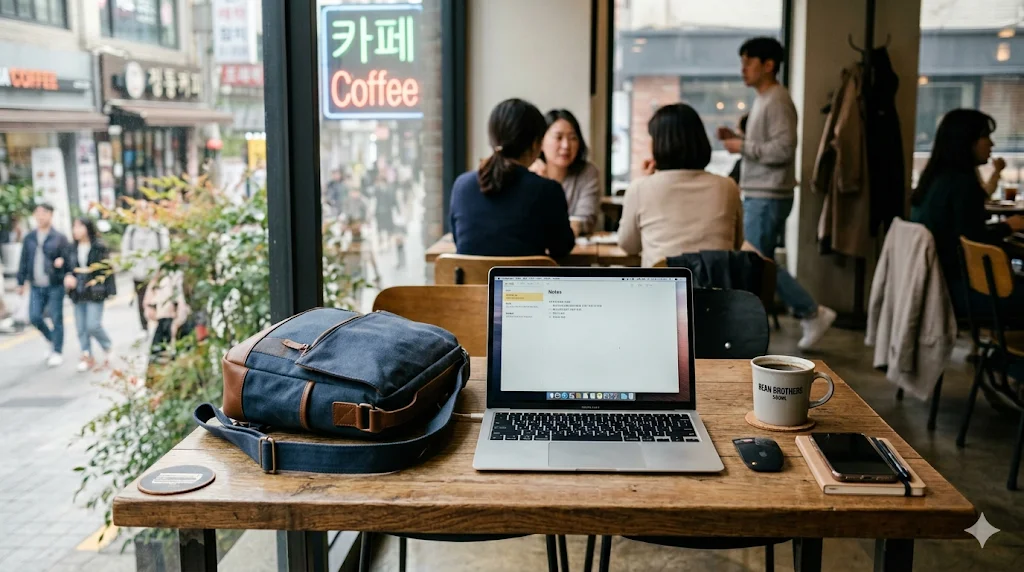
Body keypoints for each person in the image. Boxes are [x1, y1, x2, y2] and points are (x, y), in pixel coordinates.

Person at [718, 36, 835, 350]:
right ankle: (805, 313)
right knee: (758, 261)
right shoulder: (765, 99)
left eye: (748, 62)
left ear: (768, 65)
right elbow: (770, 144)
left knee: (756, 262)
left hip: (769, 194)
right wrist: (739, 138)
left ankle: (811, 311)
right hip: (762, 192)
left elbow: (783, 150)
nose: (742, 69)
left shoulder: (777, 100)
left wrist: (741, 146)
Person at [911, 109, 1024, 319]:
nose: (991, 144)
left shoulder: (934, 179)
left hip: (934, 284)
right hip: (960, 289)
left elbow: (963, 233)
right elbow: (973, 240)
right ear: (966, 141)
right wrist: (1009, 226)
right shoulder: (963, 184)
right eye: (985, 136)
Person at [618, 103, 744, 268]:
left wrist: (647, 180)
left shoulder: (640, 188)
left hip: (663, 291)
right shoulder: (728, 187)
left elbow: (629, 246)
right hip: (718, 291)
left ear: (660, 142)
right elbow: (736, 244)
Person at [450, 98, 575, 257]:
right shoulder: (548, 190)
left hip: (471, 282)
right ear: (536, 144)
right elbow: (562, 248)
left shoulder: (462, 186)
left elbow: (460, 241)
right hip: (525, 282)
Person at [530, 109, 602, 236]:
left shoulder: (588, 172)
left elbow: (586, 219)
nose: (566, 145)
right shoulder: (529, 172)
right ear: (540, 142)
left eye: (573, 138)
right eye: (558, 137)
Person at [16, 203, 69, 367]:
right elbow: (24, 260)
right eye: (37, 213)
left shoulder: (59, 237)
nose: (40, 217)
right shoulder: (30, 237)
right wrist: (21, 281)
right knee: (35, 316)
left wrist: (62, 264)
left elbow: (68, 259)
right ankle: (52, 339)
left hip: (55, 284)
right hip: (36, 285)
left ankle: (57, 351)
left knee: (56, 317)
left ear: (51, 215)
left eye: (43, 213)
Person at [64, 217, 116, 372]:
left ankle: (107, 346)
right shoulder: (71, 248)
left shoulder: (98, 247)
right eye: (74, 227)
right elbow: (68, 267)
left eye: (80, 227)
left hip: (95, 290)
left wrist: (109, 290)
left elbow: (107, 269)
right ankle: (87, 354)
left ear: (88, 228)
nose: (76, 230)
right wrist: (67, 275)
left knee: (92, 324)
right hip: (77, 290)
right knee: (80, 326)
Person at [122, 200, 169, 339]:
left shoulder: (158, 229)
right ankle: (144, 327)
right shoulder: (131, 231)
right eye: (139, 209)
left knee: (159, 300)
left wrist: (161, 268)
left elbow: (165, 250)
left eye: (145, 208)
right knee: (141, 300)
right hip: (138, 272)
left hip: (156, 272)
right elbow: (125, 251)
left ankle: (159, 327)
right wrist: (131, 266)